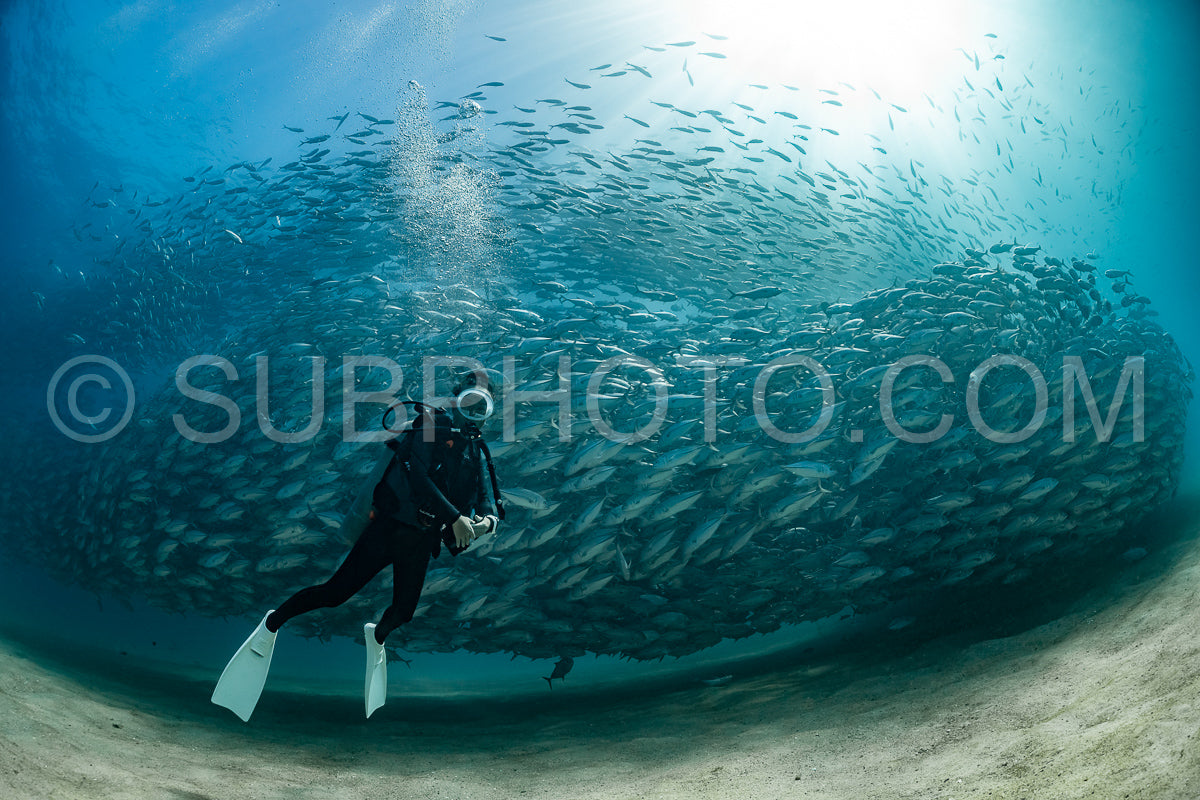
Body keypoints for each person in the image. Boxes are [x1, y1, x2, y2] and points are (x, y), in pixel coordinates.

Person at [211, 376, 504, 721]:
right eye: (468, 403)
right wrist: (456, 518)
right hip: (389, 529)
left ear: (488, 414)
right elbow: (418, 477)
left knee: (404, 613)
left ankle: (376, 636)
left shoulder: (476, 452)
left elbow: (489, 504)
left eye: (481, 408)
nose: (473, 414)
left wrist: (485, 524)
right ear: (455, 402)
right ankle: (272, 624)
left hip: (422, 542)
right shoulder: (428, 426)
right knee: (335, 593)